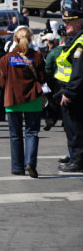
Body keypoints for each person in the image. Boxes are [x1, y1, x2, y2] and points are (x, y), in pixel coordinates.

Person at [0, 27, 46, 178]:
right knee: (32, 133)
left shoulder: (6, 59)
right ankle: (30, 162)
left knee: (15, 135)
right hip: (33, 100)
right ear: (31, 39)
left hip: (12, 101)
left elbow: (2, 82)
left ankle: (17, 167)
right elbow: (42, 78)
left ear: (15, 39)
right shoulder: (37, 56)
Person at [55, 10, 83, 172]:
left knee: (75, 128)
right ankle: (74, 156)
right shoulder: (74, 40)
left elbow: (79, 73)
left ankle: (77, 160)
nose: (65, 24)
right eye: (65, 21)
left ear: (79, 22)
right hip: (69, 91)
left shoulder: (80, 43)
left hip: (75, 94)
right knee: (72, 127)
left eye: (69, 21)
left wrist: (69, 93)